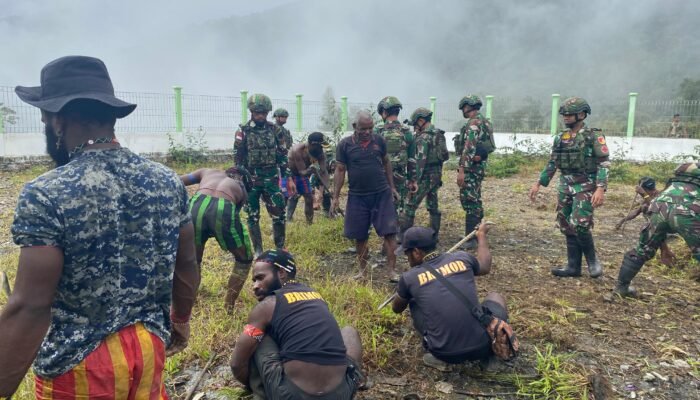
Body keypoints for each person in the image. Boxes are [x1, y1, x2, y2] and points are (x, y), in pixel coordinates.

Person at [0, 56, 200, 399]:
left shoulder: (47, 193)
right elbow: (187, 263)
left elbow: (31, 306)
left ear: (57, 120)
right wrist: (179, 319)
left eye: (45, 118)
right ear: (110, 116)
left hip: (79, 366)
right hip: (149, 347)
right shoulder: (167, 182)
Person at [230, 249, 366, 399]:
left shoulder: (267, 305)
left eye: (260, 278)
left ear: (281, 273)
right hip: (341, 393)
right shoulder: (315, 296)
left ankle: (262, 393)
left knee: (259, 337)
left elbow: (237, 364)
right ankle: (357, 378)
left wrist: (251, 383)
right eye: (254, 281)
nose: (255, 286)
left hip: (292, 395)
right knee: (349, 331)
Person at [391, 225, 510, 370]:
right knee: (495, 296)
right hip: (482, 346)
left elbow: (396, 308)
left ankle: (436, 353)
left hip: (444, 353)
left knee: (414, 301)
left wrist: (404, 291)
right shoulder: (462, 257)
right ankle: (489, 356)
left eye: (407, 254)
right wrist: (482, 235)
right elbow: (485, 266)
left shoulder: (409, 278)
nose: (407, 259)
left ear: (416, 252)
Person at [529, 97, 610, 279]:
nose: (565, 117)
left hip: (586, 185)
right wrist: (539, 183)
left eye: (569, 114)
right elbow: (553, 162)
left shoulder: (593, 135)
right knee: (565, 223)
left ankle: (593, 262)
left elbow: (604, 163)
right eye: (564, 114)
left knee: (581, 224)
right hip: (566, 185)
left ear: (581, 115)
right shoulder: (561, 137)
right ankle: (573, 266)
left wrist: (600, 188)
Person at [332, 110, 400, 281]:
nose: (368, 132)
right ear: (355, 127)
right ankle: (362, 271)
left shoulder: (379, 141)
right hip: (357, 196)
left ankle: (392, 271)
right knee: (360, 235)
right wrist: (335, 197)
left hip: (381, 194)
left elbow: (386, 163)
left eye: (370, 128)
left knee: (390, 233)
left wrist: (392, 187)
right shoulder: (345, 145)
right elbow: (340, 170)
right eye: (363, 129)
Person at [615, 162, 700, 297]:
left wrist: (663, 248)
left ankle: (621, 288)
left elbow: (659, 221)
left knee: (642, 249)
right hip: (688, 211)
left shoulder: (673, 184)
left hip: (659, 205)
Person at [180, 167, 253, 310]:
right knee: (244, 258)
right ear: (242, 178)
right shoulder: (240, 187)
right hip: (223, 208)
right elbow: (231, 220)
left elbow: (176, 181)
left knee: (194, 260)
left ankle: (190, 300)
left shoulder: (206, 171)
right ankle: (229, 306)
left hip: (196, 205)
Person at [235, 94, 296, 257]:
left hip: (271, 180)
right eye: (257, 113)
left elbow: (283, 155)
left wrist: (288, 178)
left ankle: (280, 248)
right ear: (251, 112)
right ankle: (258, 251)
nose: (260, 116)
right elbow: (238, 157)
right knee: (252, 216)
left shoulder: (275, 130)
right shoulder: (243, 131)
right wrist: (240, 180)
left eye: (263, 113)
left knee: (279, 213)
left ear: (268, 113)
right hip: (251, 181)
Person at [399, 107, 449, 242]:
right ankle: (434, 233)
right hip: (436, 175)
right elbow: (445, 156)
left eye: (415, 124)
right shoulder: (438, 134)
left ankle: (402, 236)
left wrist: (414, 180)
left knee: (410, 204)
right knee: (433, 204)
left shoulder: (422, 138)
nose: (414, 128)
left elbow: (419, 162)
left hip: (424, 176)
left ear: (421, 121)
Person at [455, 95, 495, 248]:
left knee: (470, 200)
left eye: (464, 107)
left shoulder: (474, 124)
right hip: (478, 167)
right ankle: (476, 233)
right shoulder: (485, 122)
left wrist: (462, 170)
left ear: (468, 107)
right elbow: (489, 146)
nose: (463, 110)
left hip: (471, 168)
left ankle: (471, 239)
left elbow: (469, 147)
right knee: (475, 198)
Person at [614, 177, 675, 266]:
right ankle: (664, 251)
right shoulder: (646, 198)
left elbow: (655, 207)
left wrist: (644, 194)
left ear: (645, 189)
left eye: (643, 190)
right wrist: (622, 221)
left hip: (666, 229)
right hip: (654, 229)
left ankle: (665, 252)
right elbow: (636, 212)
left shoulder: (661, 196)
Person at [374, 96, 416, 217]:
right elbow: (412, 159)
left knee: (381, 205)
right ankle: (396, 231)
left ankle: (385, 231)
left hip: (380, 176)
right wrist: (412, 180)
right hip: (400, 175)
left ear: (384, 112)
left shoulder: (377, 131)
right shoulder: (407, 131)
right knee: (398, 204)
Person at [286, 132, 332, 224]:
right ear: (312, 144)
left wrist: (325, 190)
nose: (321, 149)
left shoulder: (319, 152)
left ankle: (309, 222)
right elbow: (302, 172)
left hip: (304, 175)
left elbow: (323, 171)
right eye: (320, 146)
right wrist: (312, 169)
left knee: (309, 198)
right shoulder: (298, 151)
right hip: (291, 175)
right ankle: (288, 219)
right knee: (293, 196)